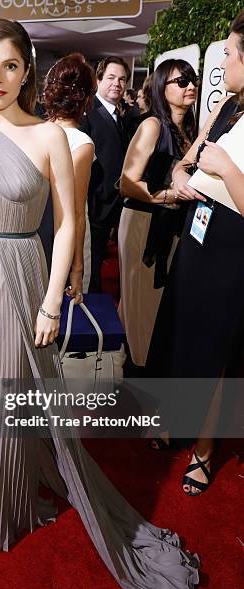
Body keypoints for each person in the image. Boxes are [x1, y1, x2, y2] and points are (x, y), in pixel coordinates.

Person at [0, 19, 199, 589]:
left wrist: (54, 299)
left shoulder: (51, 138)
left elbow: (68, 226)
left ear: (27, 69)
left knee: (11, 390)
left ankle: (5, 497)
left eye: (9, 65)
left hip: (20, 272)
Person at [147, 10, 244, 495]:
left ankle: (205, 449)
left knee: (218, 349)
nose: (223, 58)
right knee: (182, 329)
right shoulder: (226, 105)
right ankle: (177, 421)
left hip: (234, 245)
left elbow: (226, 172)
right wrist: (182, 175)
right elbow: (188, 158)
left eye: (229, 51)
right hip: (199, 230)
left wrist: (227, 170)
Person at [118, 60, 198, 369]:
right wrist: (171, 196)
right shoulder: (152, 125)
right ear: (162, 89)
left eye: (192, 79)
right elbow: (127, 182)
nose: (189, 86)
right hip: (143, 224)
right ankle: (137, 371)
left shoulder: (189, 128)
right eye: (180, 81)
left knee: (158, 302)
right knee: (142, 303)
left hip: (171, 225)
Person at [40, 53, 96, 296]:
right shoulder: (81, 143)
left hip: (33, 234)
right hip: (63, 239)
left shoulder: (34, 132)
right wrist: (77, 268)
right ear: (86, 98)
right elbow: (75, 211)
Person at [80, 56, 130, 293]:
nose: (117, 84)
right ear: (98, 78)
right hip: (95, 206)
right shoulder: (87, 112)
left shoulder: (121, 115)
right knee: (91, 263)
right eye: (110, 78)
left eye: (122, 79)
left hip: (114, 206)